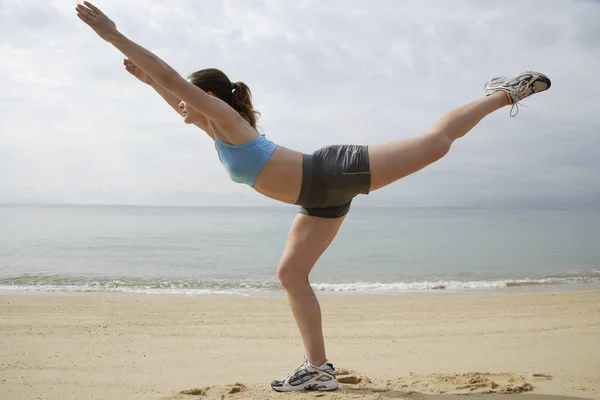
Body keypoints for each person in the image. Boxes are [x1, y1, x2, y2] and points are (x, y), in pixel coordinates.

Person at [75, 2, 551, 392]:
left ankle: (503, 94)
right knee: (291, 273)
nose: (180, 107)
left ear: (209, 99)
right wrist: (148, 83)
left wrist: (113, 35)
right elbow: (177, 95)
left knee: (435, 145)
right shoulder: (213, 127)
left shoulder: (223, 118)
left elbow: (176, 83)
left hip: (332, 170)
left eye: (187, 100)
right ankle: (318, 368)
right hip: (319, 198)